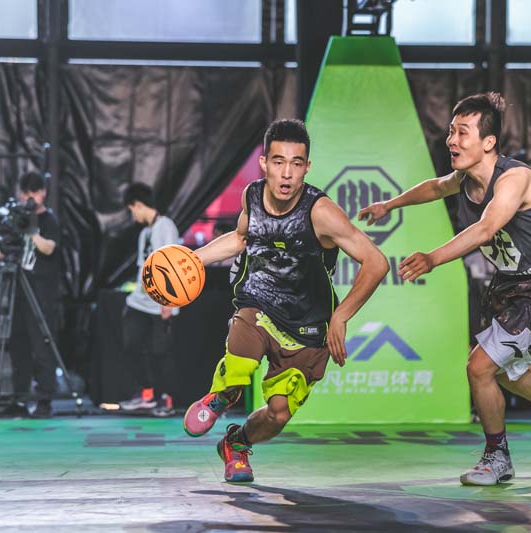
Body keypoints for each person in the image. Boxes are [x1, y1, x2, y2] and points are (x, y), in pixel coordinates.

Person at [358, 92, 531, 486]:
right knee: (504, 371)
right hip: (511, 282)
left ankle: (497, 458)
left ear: (489, 142)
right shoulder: (464, 179)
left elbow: (485, 228)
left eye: (463, 133)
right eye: (451, 131)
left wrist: (432, 258)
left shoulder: (514, 180)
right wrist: (389, 205)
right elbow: (435, 187)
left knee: (479, 367)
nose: (452, 140)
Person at [182, 119, 389, 482]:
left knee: (278, 413)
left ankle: (236, 444)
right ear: (264, 163)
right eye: (278, 162)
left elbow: (376, 262)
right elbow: (240, 238)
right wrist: (193, 259)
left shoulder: (321, 212)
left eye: (296, 163)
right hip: (258, 303)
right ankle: (222, 395)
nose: (287, 173)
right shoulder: (251, 196)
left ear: (307, 167)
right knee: (241, 358)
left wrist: (340, 316)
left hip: (308, 324)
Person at [1, 172, 62, 418]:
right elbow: (9, 247)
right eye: (26, 194)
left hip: (42, 292)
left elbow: (48, 248)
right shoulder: (19, 218)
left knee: (42, 346)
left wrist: (31, 231)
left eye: (33, 194)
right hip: (20, 289)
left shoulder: (49, 220)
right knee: (18, 346)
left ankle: (45, 400)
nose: (29, 199)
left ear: (42, 193)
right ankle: (19, 398)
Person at [118, 183, 180, 417]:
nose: (132, 215)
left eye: (131, 210)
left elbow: (172, 263)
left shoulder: (165, 226)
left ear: (138, 205)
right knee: (131, 345)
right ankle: (146, 393)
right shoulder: (145, 233)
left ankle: (166, 399)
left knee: (159, 352)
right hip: (139, 302)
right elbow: (143, 268)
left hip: (161, 303)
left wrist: (169, 301)